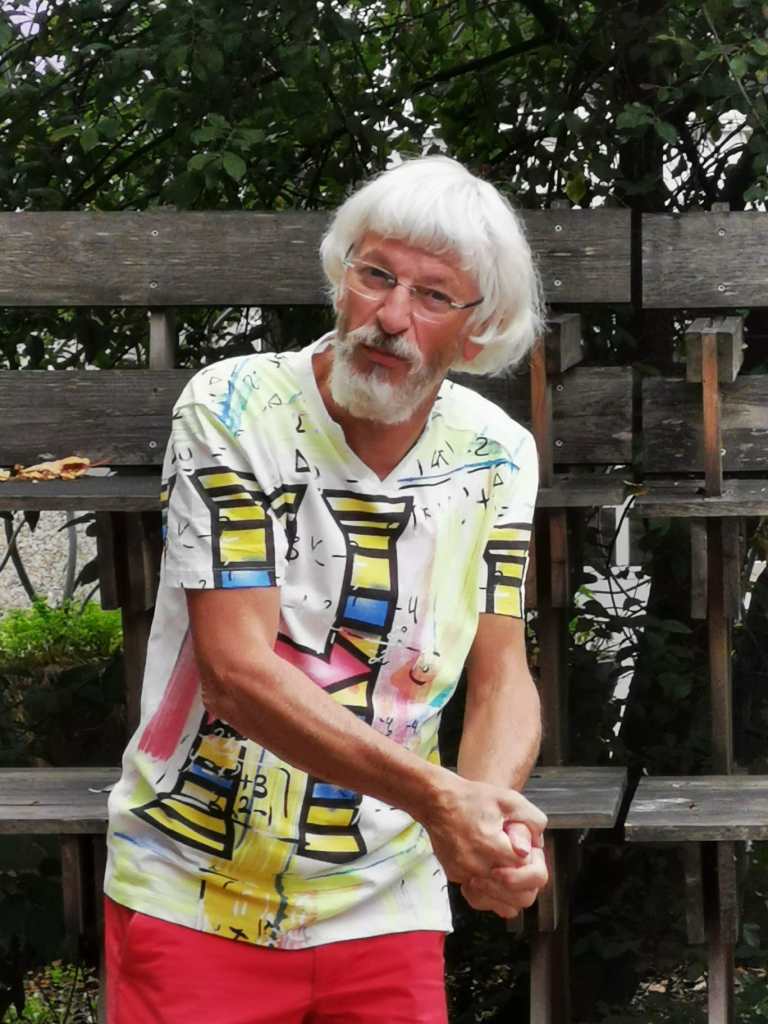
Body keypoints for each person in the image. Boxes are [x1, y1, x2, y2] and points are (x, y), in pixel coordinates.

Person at [104, 154, 548, 1023]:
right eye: (374, 275)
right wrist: (444, 804)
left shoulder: (499, 454)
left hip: (387, 898)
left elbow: (502, 673)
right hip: (193, 886)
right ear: (340, 277)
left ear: (480, 332)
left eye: (432, 295)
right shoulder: (232, 407)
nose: (390, 317)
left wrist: (490, 826)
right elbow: (236, 675)